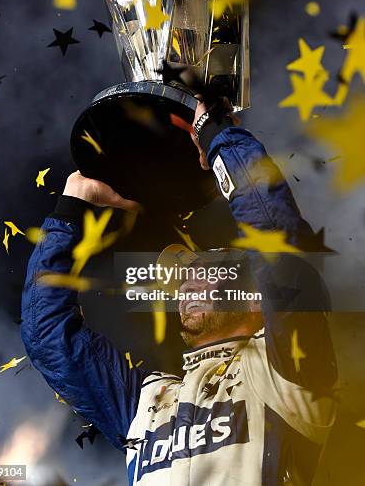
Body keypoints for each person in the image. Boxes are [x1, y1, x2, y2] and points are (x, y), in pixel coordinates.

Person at [21, 101, 338, 485]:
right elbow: (46, 335)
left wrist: (218, 136)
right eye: (184, 275)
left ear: (256, 296)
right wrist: (71, 209)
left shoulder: (287, 369)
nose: (187, 281)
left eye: (206, 271)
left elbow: (275, 240)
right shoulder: (145, 400)